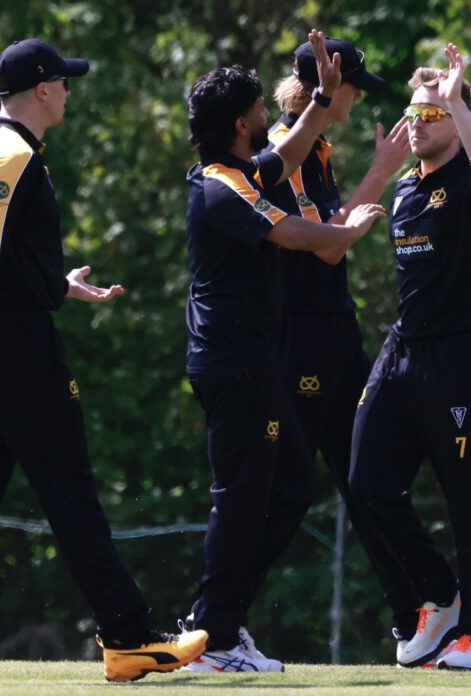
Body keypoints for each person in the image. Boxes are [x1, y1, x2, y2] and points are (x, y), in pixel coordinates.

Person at [0, 39, 207, 685]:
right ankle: (127, 637)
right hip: (4, 345)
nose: (68, 91)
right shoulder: (13, 153)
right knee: (70, 488)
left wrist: (56, 285)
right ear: (40, 89)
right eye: (63, 82)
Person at [179, 30, 386, 673]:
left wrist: (322, 96)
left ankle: (219, 626)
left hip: (251, 362)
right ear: (243, 123)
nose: (272, 115)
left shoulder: (241, 168)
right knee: (240, 497)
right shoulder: (222, 187)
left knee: (281, 486)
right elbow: (289, 232)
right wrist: (343, 229)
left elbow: (290, 153)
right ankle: (213, 636)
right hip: (234, 364)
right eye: (262, 109)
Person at [348, 43, 471, 671]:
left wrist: (456, 104)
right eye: (415, 112)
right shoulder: (407, 191)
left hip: (460, 356)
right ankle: (439, 595)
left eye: (433, 114)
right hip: (403, 350)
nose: (419, 121)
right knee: (366, 480)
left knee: (468, 493)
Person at [259, 36, 418, 643]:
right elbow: (327, 247)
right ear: (329, 84)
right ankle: (215, 624)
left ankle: (414, 618)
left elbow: (331, 233)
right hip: (301, 340)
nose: (358, 95)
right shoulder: (285, 149)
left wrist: (368, 184)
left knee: (367, 476)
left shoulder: (317, 149)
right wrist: (380, 174)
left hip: (332, 332)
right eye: (354, 85)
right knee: (288, 489)